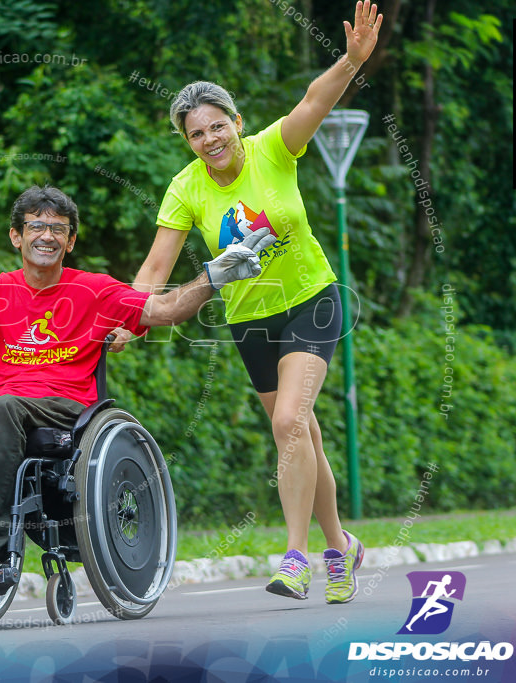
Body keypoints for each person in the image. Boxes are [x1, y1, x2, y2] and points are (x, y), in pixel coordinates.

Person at [0, 185, 274, 585]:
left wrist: (212, 277)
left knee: (2, 408)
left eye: (58, 228)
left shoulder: (95, 289)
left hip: (70, 409)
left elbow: (164, 309)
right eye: (36, 226)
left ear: (70, 241)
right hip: (10, 411)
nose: (47, 236)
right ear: (16, 237)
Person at [123, 2, 382, 604]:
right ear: (185, 140)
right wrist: (129, 316)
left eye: (217, 125)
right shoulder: (185, 187)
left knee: (288, 420)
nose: (209, 139)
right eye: (196, 133)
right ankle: (341, 547)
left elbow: (314, 100)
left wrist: (350, 59)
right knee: (303, 435)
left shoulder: (274, 148)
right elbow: (156, 268)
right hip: (249, 319)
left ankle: (297, 557)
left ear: (236, 121)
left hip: (312, 299)